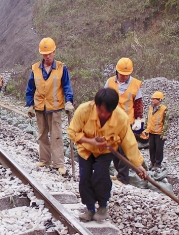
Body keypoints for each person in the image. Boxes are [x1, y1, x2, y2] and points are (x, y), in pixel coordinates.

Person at [67, 88, 147, 222]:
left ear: (113, 109)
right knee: (85, 177)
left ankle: (103, 206)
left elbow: (129, 142)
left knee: (101, 174)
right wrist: (90, 141)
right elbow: (72, 132)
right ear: (95, 104)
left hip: (106, 151)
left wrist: (138, 165)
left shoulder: (121, 118)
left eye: (107, 112)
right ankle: (90, 208)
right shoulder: (84, 110)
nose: (103, 114)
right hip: (85, 149)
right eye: (100, 110)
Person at [25, 37, 74, 175]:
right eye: (44, 54)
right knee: (42, 135)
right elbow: (30, 88)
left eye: (49, 53)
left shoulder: (61, 68)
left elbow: (67, 86)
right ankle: (45, 159)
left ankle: (59, 163)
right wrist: (29, 105)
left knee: (56, 135)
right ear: (41, 54)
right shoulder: (35, 68)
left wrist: (69, 101)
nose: (47, 56)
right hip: (40, 107)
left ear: (54, 51)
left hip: (55, 107)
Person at [105, 57, 143, 184]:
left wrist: (139, 125)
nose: (124, 77)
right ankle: (119, 173)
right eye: (122, 74)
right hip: (112, 122)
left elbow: (138, 106)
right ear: (117, 71)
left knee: (124, 151)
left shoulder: (135, 85)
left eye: (127, 75)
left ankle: (123, 178)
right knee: (114, 149)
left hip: (128, 124)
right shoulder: (110, 82)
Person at [141, 91, 169, 170]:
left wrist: (164, 133)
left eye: (154, 99)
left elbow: (166, 122)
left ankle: (157, 164)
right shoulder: (150, 108)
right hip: (151, 132)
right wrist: (146, 129)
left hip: (159, 133)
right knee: (152, 148)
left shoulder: (164, 109)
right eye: (152, 99)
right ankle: (152, 162)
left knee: (159, 149)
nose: (152, 101)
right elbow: (147, 118)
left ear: (159, 100)